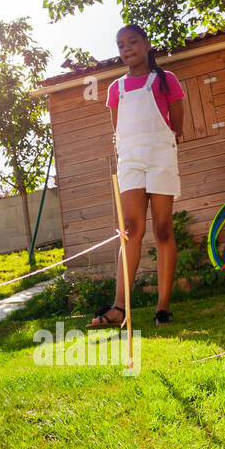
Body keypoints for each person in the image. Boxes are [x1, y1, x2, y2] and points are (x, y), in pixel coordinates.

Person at [89, 24, 184, 329]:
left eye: (132, 42)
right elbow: (118, 131)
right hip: (130, 160)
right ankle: (120, 307)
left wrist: (162, 144)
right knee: (130, 228)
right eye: (121, 45)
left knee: (164, 229)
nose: (127, 48)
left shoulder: (166, 80)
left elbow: (176, 124)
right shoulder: (115, 89)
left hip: (160, 156)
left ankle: (163, 307)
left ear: (145, 43)